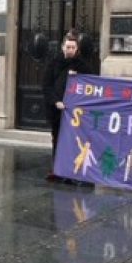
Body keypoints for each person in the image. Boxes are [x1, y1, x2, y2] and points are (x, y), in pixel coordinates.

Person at [42, 31, 92, 181]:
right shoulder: (53, 62)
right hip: (56, 109)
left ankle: (72, 172)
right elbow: (46, 85)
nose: (70, 49)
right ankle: (57, 169)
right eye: (67, 46)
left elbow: (89, 86)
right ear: (63, 47)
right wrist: (56, 101)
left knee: (73, 140)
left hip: (74, 112)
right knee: (57, 139)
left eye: (73, 47)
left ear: (77, 49)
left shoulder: (83, 65)